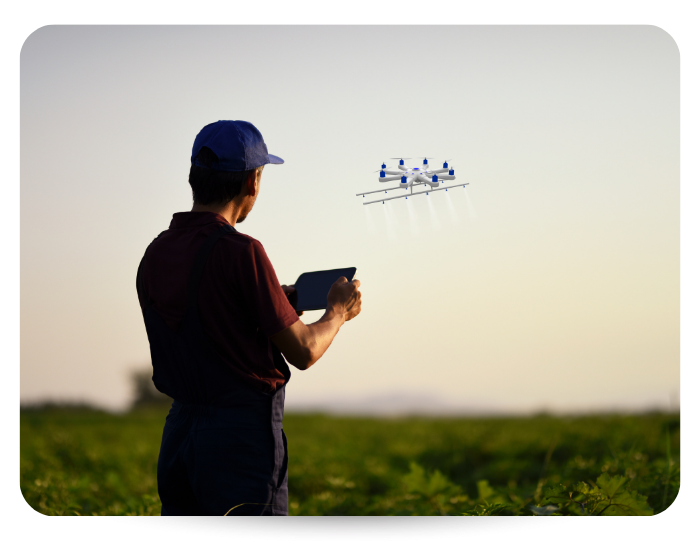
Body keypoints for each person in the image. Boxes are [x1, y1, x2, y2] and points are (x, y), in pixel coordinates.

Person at [136, 120, 362, 516]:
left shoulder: (156, 252)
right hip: (239, 439)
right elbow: (305, 350)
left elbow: (204, 318)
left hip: (179, 435)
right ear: (252, 183)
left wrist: (278, 298)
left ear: (194, 177)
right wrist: (338, 311)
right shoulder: (243, 252)